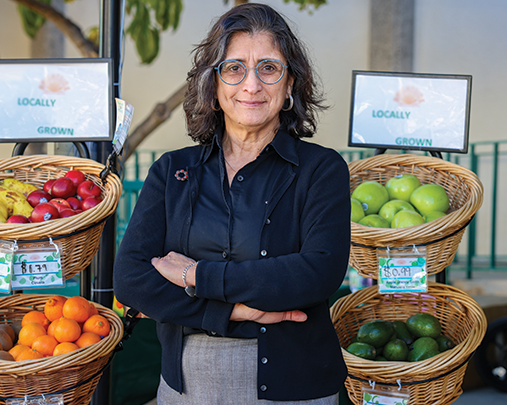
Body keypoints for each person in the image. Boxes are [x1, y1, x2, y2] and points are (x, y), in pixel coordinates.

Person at [113, 3, 350, 404]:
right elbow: (132, 280)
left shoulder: (321, 169)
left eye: (269, 68)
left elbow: (317, 272)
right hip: (186, 384)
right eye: (234, 68)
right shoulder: (172, 171)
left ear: (290, 83)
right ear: (214, 84)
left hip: (295, 386)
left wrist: (195, 275)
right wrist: (235, 311)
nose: (252, 85)